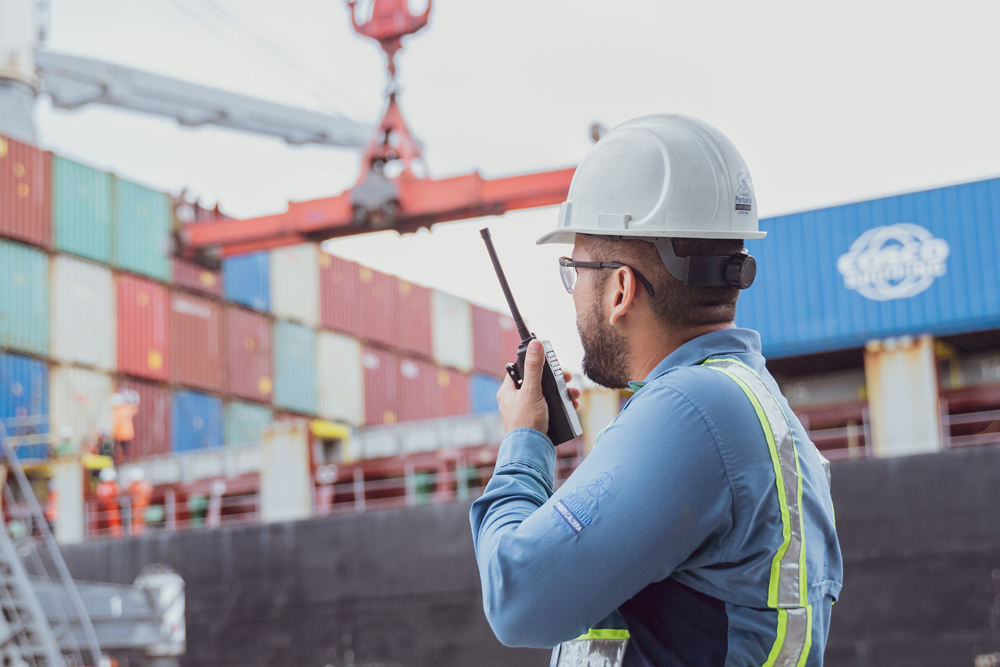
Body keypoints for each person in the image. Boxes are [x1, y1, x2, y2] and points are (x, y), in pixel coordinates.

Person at [470, 115, 842, 667]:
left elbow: (516, 598)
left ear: (620, 288)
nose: (573, 293)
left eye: (574, 271)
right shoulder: (745, 402)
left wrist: (524, 443)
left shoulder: (694, 411)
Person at [111, 391, 140, 465]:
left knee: (117, 450)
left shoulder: (117, 410)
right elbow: (135, 408)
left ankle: (119, 461)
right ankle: (124, 461)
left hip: (120, 434)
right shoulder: (127, 408)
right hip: (126, 434)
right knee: (125, 451)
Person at [95, 467, 123, 538]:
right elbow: (118, 494)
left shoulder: (100, 486)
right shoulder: (113, 486)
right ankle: (116, 534)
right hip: (112, 509)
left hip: (103, 511)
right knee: (114, 522)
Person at [126, 468, 154, 535]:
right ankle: (137, 531)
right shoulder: (145, 484)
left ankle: (138, 532)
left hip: (140, 506)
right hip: (141, 506)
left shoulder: (139, 485)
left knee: (138, 518)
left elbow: (129, 489)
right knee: (138, 518)